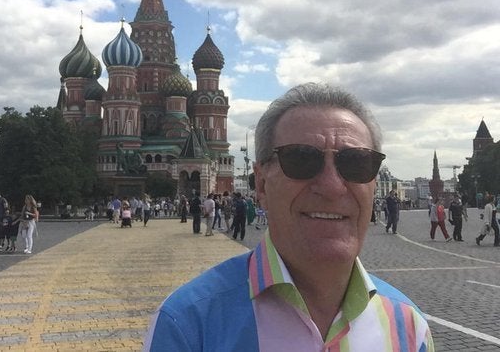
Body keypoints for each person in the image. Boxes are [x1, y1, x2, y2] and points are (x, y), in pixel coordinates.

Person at [143, 82, 433, 351]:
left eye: (356, 163)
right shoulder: (189, 327)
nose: (332, 187)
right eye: (301, 160)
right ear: (262, 184)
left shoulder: (407, 327)